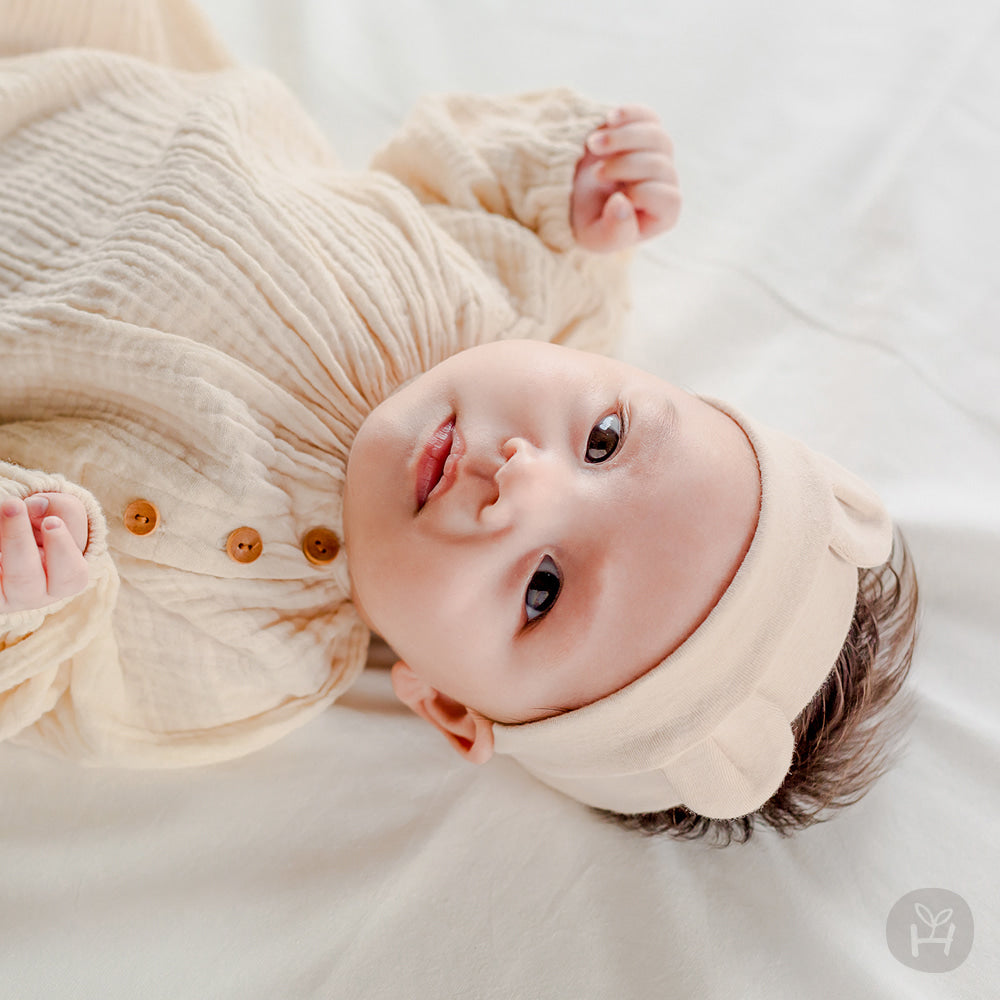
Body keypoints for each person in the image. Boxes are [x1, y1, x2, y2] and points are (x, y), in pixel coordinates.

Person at [0, 0, 917, 844]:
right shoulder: (522, 299)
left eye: (543, 591)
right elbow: (452, 164)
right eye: (604, 440)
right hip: (74, 50)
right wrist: (574, 176)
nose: (523, 479)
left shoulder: (248, 659)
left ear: (445, 705)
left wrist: (29, 589)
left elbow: (63, 684)